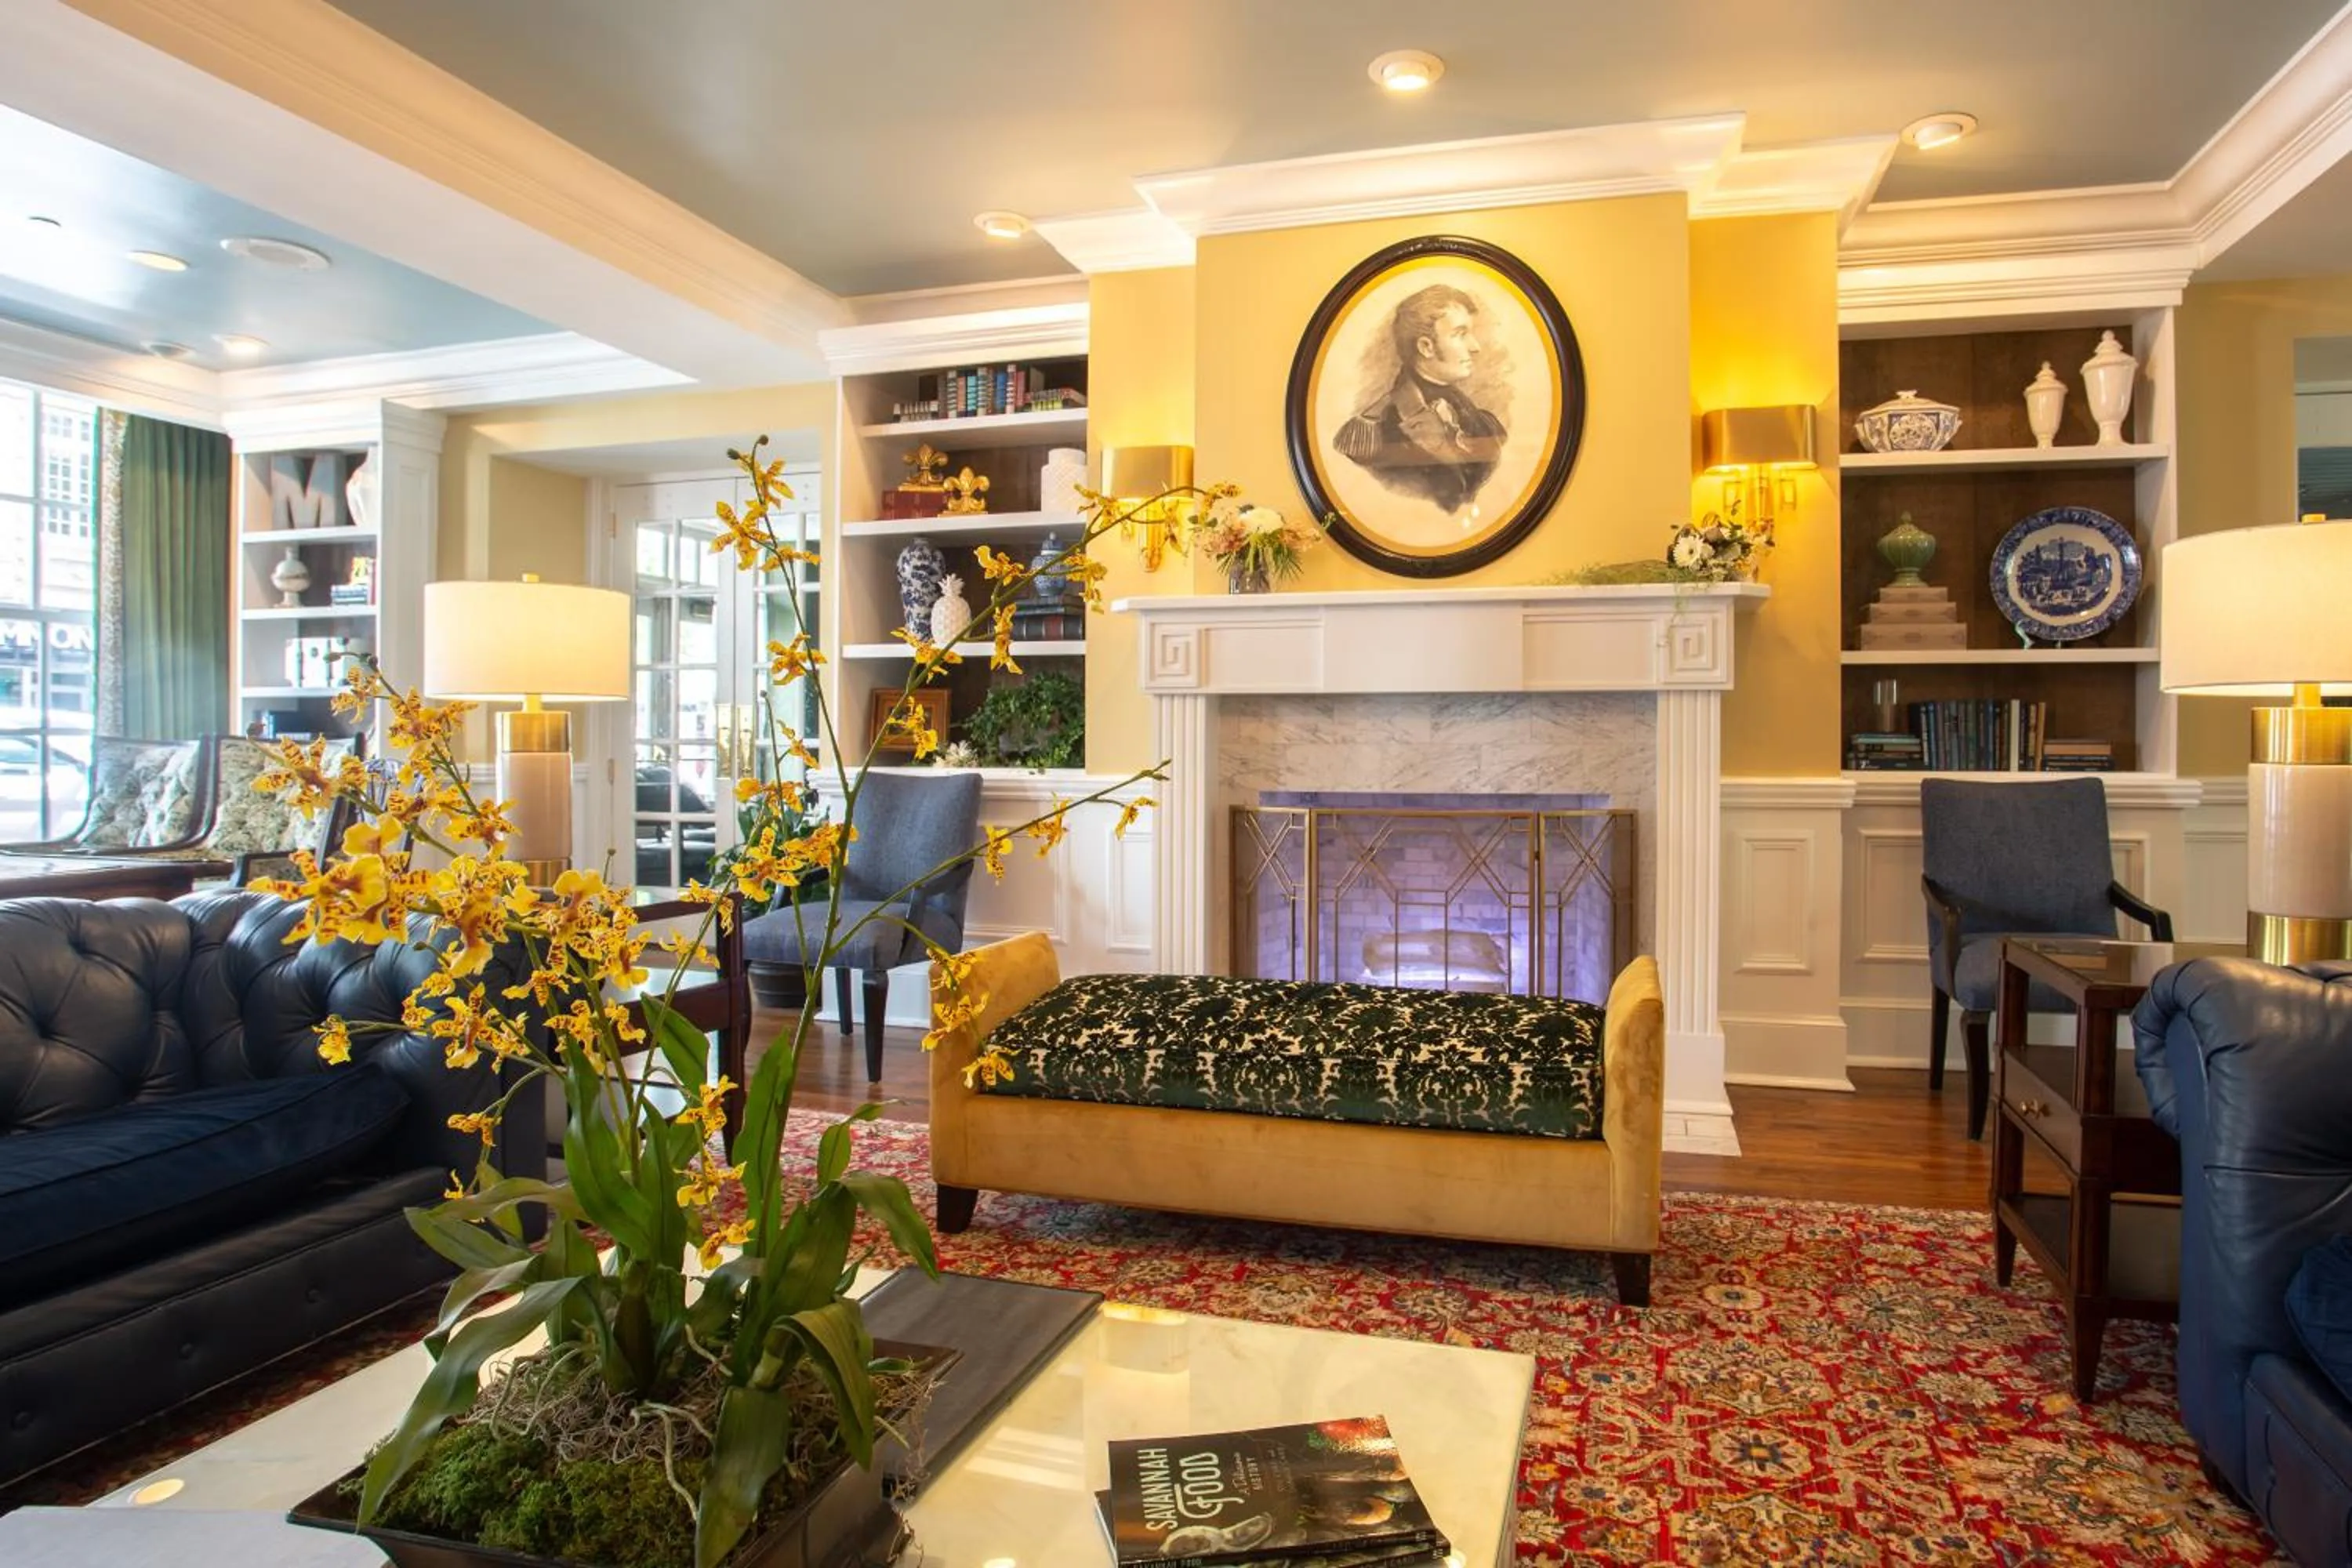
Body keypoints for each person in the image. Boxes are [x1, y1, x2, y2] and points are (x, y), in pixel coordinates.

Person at [1333, 283, 1506, 515]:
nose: (1474, 347)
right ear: (1426, 347)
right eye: (1460, 334)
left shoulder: (1481, 420)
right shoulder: (1371, 433)